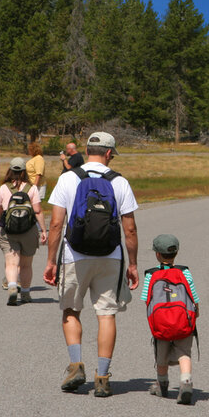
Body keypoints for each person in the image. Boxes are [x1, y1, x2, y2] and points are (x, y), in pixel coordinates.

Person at [43, 131, 140, 398]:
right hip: (110, 256)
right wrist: (132, 264)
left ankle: (75, 366)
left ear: (86, 151)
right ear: (109, 153)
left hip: (74, 255)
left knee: (71, 310)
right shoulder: (120, 182)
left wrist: (51, 261)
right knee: (106, 314)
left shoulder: (68, 179)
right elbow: (129, 230)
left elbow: (55, 224)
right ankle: (102, 377)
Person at [141, 234, 200, 405]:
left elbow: (147, 299)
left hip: (161, 324)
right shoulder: (184, 272)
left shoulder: (151, 275)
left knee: (161, 356)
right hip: (183, 322)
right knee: (184, 353)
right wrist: (195, 314)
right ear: (176, 252)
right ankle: (186, 382)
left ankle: (162, 384)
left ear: (157, 254)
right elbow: (193, 296)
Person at [0, 157, 47, 305]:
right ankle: (25, 293)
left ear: (10, 170)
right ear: (24, 171)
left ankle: (12, 286)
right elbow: (37, 211)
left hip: (8, 231)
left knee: (11, 262)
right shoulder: (32, 188)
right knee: (26, 264)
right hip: (28, 230)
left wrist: (2, 220)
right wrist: (43, 230)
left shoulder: (4, 187)